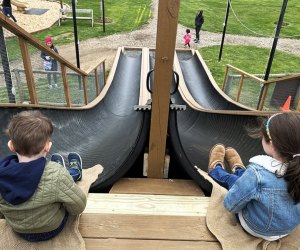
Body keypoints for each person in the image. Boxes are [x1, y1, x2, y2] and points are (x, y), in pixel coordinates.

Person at [207, 113, 300, 241]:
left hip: (255, 227)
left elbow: (231, 205)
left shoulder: (258, 173)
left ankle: (216, 171)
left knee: (234, 182)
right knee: (249, 182)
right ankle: (239, 169)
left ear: (271, 144)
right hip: (285, 230)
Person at [0, 110, 86, 242]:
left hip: (18, 229)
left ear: (11, 146)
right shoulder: (56, 174)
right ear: (48, 147)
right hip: (50, 229)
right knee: (60, 185)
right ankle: (75, 172)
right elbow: (78, 206)